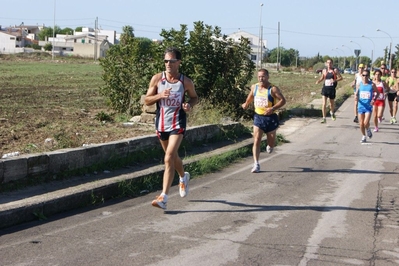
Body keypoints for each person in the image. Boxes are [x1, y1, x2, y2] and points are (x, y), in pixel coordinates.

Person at [144, 47, 198, 210]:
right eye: (166, 61)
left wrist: (189, 105)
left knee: (168, 158)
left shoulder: (185, 81)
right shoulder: (157, 79)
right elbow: (146, 100)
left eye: (171, 61)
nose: (168, 64)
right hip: (161, 123)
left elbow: (194, 98)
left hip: (177, 123)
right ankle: (183, 176)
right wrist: (160, 96)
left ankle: (164, 197)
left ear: (178, 63)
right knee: (172, 157)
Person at [242, 68, 286, 173]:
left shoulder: (273, 89)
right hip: (258, 117)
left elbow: (283, 100)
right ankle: (256, 164)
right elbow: (251, 96)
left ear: (267, 77)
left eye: (263, 76)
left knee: (271, 144)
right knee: (256, 139)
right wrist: (246, 104)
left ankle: (270, 145)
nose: (261, 78)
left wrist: (272, 108)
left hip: (270, 118)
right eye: (259, 77)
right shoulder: (255, 87)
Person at [354, 69, 380, 143]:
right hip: (361, 106)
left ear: (368, 76)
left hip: (368, 107)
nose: (365, 77)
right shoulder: (359, 84)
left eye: (366, 75)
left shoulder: (372, 85)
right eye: (363, 75)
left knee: (365, 123)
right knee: (361, 123)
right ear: (361, 76)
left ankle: (368, 129)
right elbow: (356, 93)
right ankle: (364, 136)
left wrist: (374, 100)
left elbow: (377, 93)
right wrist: (356, 96)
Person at [315, 58, 343, 123]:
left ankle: (332, 113)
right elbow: (322, 77)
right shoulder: (324, 70)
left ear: (332, 64)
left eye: (330, 63)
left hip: (332, 89)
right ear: (326, 63)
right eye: (328, 63)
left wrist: (335, 80)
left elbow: (341, 78)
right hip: (325, 89)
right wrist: (318, 81)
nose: (329, 64)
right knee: (324, 104)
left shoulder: (335, 70)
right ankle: (324, 118)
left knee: (331, 104)